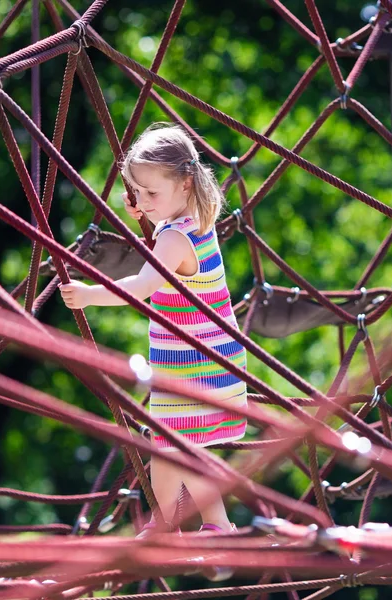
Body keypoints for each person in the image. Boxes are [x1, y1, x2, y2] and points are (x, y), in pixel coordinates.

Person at [59, 123, 247, 549]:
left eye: (150, 194)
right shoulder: (194, 218)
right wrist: (150, 209)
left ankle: (168, 528)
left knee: (167, 448)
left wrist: (90, 295)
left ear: (184, 183)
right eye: (137, 192)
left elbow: (142, 287)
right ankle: (214, 525)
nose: (141, 202)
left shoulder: (176, 238)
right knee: (180, 448)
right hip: (207, 354)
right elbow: (164, 226)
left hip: (194, 362)